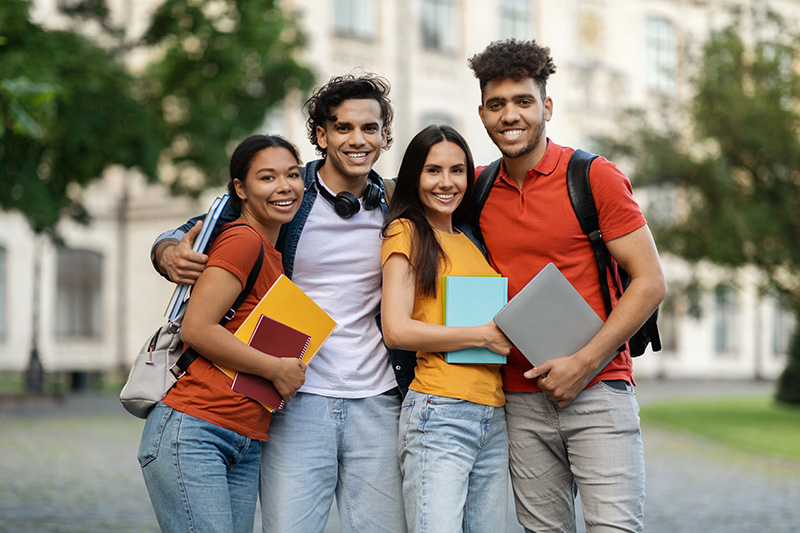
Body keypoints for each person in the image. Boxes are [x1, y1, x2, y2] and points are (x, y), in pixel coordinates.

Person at [149, 75, 408, 533]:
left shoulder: (397, 202)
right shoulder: (289, 190)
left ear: (384, 135)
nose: (358, 139)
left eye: (370, 128)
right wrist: (166, 250)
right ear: (322, 135)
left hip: (378, 399)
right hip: (294, 398)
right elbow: (201, 227)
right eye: (343, 128)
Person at [467, 39, 667, 533]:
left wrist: (584, 364)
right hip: (518, 398)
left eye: (523, 101)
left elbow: (650, 282)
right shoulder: (476, 188)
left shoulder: (593, 176)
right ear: (482, 113)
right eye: (496, 104)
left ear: (547, 107)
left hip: (599, 389)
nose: (510, 115)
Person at [138, 134, 307, 532]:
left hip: (243, 439)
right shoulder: (243, 239)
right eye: (267, 177)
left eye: (293, 175)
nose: (284, 187)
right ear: (240, 189)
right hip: (196, 431)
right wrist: (276, 369)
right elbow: (198, 329)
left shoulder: (271, 253)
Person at [380, 124, 513, 533]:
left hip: (493, 413)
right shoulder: (405, 231)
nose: (446, 182)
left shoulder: (470, 239)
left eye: (457, 170)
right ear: (414, 176)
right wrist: (481, 335)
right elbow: (396, 329)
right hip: (439, 413)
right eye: (433, 170)